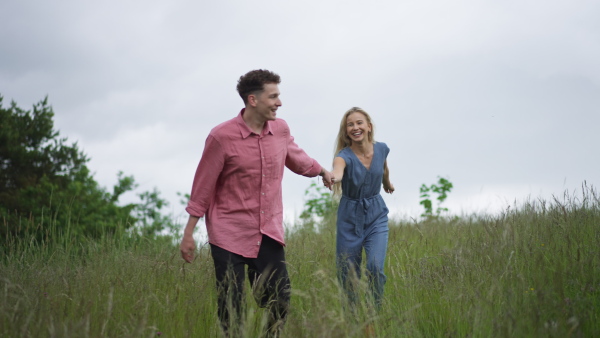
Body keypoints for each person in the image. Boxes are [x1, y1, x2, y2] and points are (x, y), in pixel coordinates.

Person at [179, 69, 334, 337]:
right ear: (253, 100)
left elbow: (297, 157)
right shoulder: (221, 137)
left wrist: (322, 171)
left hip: (268, 230)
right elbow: (203, 187)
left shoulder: (281, 129)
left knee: (280, 300)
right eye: (273, 96)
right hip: (229, 233)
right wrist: (189, 233)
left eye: (279, 96)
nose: (279, 102)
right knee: (231, 307)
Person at [329, 107, 394, 311]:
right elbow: (338, 172)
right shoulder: (343, 156)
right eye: (350, 125)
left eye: (359, 123)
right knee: (348, 272)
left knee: (375, 266)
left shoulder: (381, 148)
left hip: (376, 214)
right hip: (349, 217)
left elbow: (383, 167)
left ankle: (375, 311)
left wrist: (387, 183)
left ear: (368, 126)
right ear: (346, 131)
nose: (355, 127)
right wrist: (333, 177)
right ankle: (353, 314)